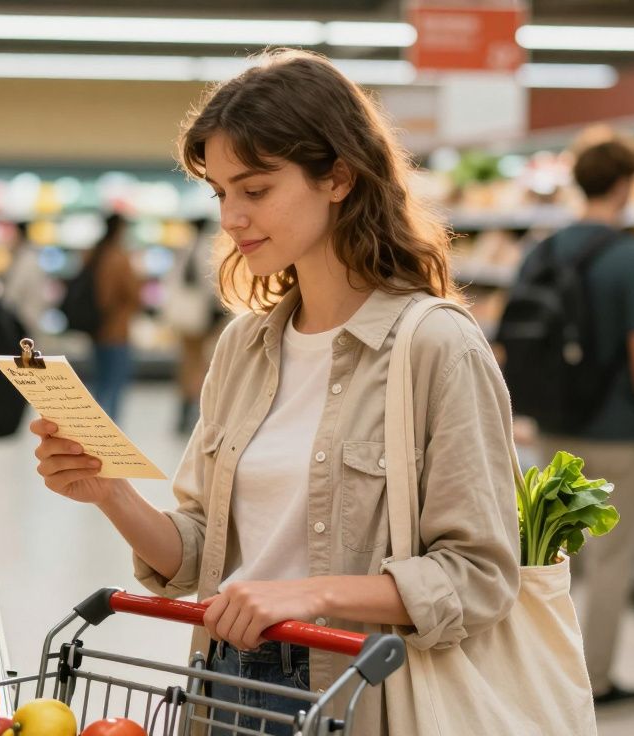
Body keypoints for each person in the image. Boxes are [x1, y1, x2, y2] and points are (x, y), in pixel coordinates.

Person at [30, 50, 522, 734]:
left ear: (339, 177)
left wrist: (308, 594)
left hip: (351, 689)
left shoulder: (436, 346)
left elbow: (480, 577)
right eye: (220, 193)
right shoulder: (245, 346)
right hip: (222, 679)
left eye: (255, 190)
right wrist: (110, 491)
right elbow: (197, 552)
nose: (231, 218)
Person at [528, 138, 634, 707]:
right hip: (617, 432)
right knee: (611, 561)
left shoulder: (542, 250)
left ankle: (544, 672)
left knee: (551, 556)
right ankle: (594, 681)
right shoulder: (631, 257)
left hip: (553, 429)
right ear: (622, 186)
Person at [163, 217, 228, 434]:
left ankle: (184, 411)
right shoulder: (205, 249)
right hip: (200, 316)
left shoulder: (184, 249)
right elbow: (210, 285)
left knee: (188, 362)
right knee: (200, 363)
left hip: (184, 317)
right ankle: (194, 410)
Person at [86, 213, 141, 421]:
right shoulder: (119, 258)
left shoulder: (95, 254)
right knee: (115, 384)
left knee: (100, 382)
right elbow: (133, 294)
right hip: (117, 331)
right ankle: (111, 429)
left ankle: (96, 424)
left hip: (96, 329)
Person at [0, 221, 50, 334]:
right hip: (29, 319)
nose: (7, 240)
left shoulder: (26, 261)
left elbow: (12, 296)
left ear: (19, 234)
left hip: (24, 321)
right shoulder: (30, 258)